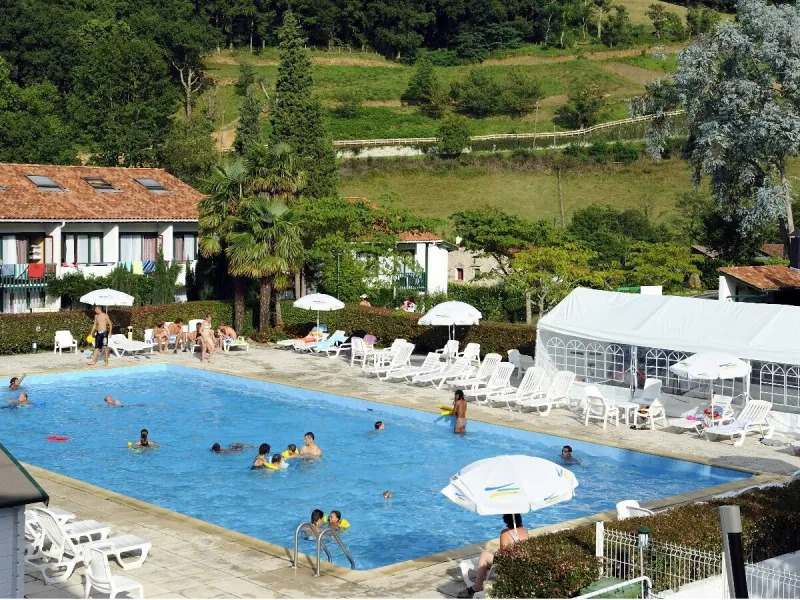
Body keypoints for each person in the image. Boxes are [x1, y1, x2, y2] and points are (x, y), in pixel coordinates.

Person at [459, 514, 529, 598]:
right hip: (522, 562)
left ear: (506, 520)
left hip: (510, 563)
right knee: (491, 554)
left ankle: (477, 587)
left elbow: (503, 554)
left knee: (484, 555)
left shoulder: (505, 533)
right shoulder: (524, 530)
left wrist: (497, 554)